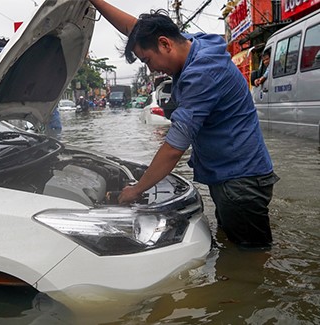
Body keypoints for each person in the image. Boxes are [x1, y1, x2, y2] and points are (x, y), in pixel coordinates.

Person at [89, 0, 279, 249]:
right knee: (233, 251)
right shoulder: (192, 44)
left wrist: (136, 190)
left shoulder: (202, 74)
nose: (151, 69)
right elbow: (135, 29)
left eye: (147, 60)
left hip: (240, 183)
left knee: (251, 258)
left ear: (164, 44)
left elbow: (174, 148)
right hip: (235, 176)